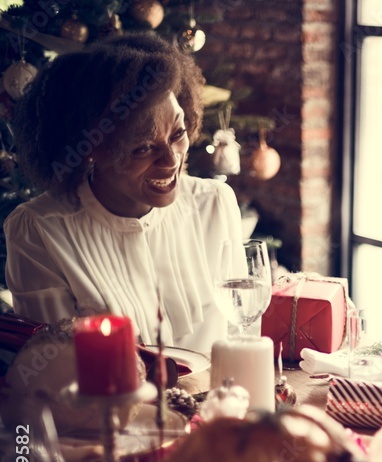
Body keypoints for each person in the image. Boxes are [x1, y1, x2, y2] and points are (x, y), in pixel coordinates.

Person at [4, 33, 243, 354]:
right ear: (91, 149)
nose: (172, 160)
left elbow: (243, 335)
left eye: (178, 134)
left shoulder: (215, 203)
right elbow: (56, 372)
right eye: (143, 147)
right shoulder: (38, 231)